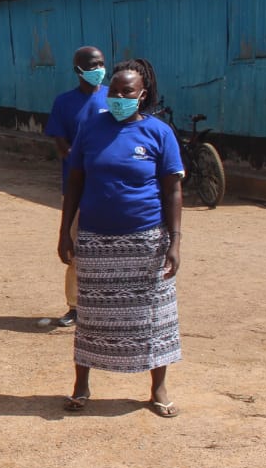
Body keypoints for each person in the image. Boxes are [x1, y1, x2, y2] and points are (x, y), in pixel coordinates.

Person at [58, 58, 183, 417]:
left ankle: (157, 388)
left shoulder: (159, 133)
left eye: (126, 91)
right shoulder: (92, 128)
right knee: (93, 316)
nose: (117, 96)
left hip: (145, 240)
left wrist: (175, 241)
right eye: (113, 90)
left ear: (141, 95)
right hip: (97, 239)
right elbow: (76, 182)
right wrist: (65, 231)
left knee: (153, 317)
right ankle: (82, 385)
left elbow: (173, 190)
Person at [45, 46, 109, 327]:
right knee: (76, 248)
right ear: (78, 70)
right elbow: (61, 145)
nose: (98, 70)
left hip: (110, 188)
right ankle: (74, 305)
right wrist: (85, 161)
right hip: (79, 188)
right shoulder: (64, 103)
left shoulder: (114, 97)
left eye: (101, 64)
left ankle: (106, 303)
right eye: (92, 65)